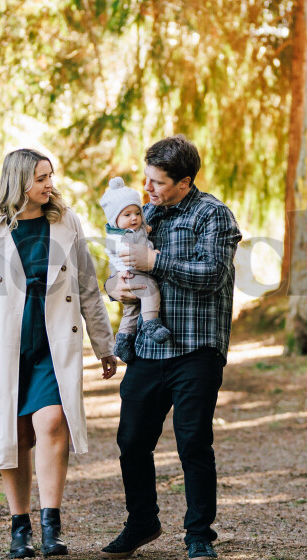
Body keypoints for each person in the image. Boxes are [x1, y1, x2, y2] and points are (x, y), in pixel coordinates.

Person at [0, 148, 118, 558]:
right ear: (19, 181)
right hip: (2, 346)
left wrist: (104, 346)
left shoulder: (66, 223)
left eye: (51, 176)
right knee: (16, 434)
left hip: (52, 342)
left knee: (51, 422)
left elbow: (87, 290)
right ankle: (19, 527)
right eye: (42, 177)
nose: (50, 184)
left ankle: (52, 525)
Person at [99, 135, 242, 560]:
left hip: (197, 348)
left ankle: (199, 535)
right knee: (131, 440)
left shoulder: (213, 215)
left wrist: (154, 263)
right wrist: (118, 287)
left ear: (184, 181)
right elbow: (118, 275)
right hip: (149, 348)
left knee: (192, 441)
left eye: (158, 183)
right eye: (146, 180)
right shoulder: (141, 216)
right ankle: (142, 521)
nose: (148, 190)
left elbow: (212, 275)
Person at [99, 176, 171, 363]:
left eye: (137, 213)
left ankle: (123, 341)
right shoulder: (118, 237)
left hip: (132, 274)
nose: (134, 218)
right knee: (150, 288)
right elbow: (124, 254)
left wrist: (145, 229)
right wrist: (151, 254)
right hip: (130, 273)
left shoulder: (135, 229)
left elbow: (141, 233)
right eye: (127, 215)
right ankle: (151, 324)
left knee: (131, 310)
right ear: (115, 219)